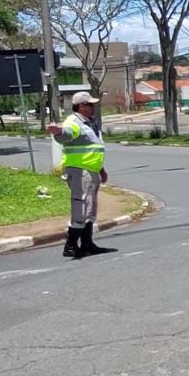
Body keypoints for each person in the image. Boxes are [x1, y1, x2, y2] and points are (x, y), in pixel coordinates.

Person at [49, 91, 116, 259]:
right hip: (79, 172)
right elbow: (66, 135)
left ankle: (87, 243)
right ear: (81, 106)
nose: (94, 107)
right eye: (90, 104)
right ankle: (70, 246)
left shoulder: (89, 123)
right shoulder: (73, 122)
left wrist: (101, 169)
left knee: (90, 209)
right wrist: (58, 132)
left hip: (90, 171)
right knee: (81, 208)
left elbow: (93, 149)